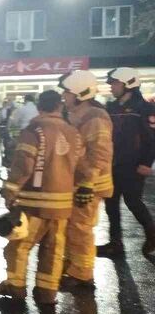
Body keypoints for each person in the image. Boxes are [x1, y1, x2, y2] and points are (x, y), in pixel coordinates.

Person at [0, 90, 85, 305]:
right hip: (62, 203)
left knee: (19, 245)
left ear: (39, 107)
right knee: (53, 248)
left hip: (34, 203)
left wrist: (10, 190)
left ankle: (15, 285)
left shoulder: (34, 130)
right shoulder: (73, 132)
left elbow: (24, 164)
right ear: (59, 107)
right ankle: (47, 292)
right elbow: (80, 167)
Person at [58, 70, 113, 289]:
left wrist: (88, 183)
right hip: (78, 182)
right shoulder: (78, 114)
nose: (64, 97)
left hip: (89, 184)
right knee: (72, 227)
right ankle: (74, 268)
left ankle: (82, 275)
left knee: (80, 228)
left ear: (81, 93)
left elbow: (99, 152)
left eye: (67, 93)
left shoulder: (95, 117)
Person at [98, 67, 155, 257]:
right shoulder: (112, 108)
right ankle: (115, 243)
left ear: (128, 84)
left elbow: (152, 138)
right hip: (113, 164)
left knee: (133, 201)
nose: (111, 87)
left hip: (133, 165)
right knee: (111, 203)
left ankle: (152, 234)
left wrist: (147, 163)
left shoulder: (145, 109)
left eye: (114, 83)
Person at [0, 96, 17, 166]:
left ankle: (8, 161)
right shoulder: (11, 111)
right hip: (9, 131)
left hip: (6, 130)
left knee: (7, 145)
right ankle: (9, 160)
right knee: (9, 146)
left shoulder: (4, 110)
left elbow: (0, 120)